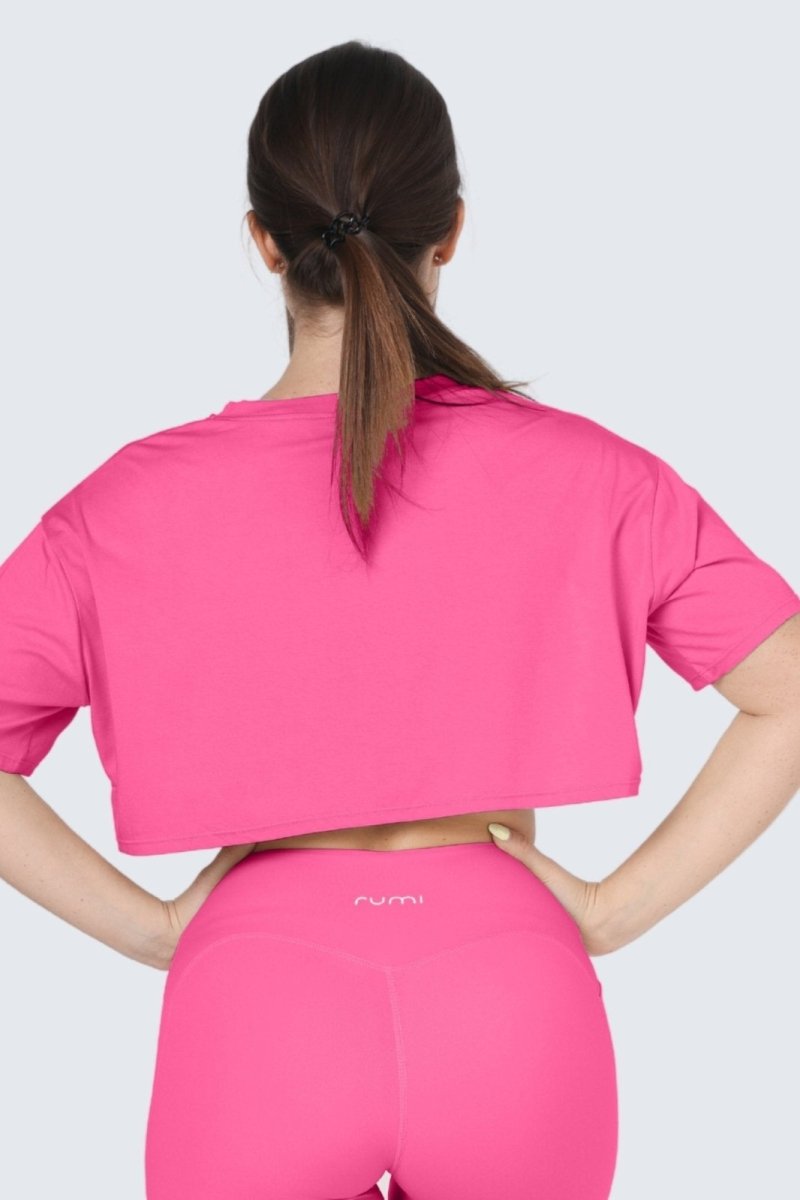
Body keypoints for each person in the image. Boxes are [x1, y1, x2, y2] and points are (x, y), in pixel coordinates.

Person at [1, 38, 799, 1200]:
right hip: (513, 993)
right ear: (450, 230)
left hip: (255, 1003)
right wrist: (613, 910)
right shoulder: (591, 473)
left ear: (263, 241)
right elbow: (785, 690)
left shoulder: (121, 508)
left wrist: (154, 931)